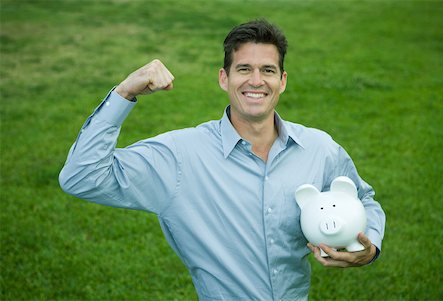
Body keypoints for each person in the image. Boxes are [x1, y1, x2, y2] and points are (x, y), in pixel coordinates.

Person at [59, 19, 385, 301]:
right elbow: (82, 177)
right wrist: (124, 92)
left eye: (267, 70)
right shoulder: (180, 157)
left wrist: (367, 247)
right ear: (223, 79)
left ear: (282, 81)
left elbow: (363, 198)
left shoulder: (318, 147)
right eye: (244, 69)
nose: (256, 81)